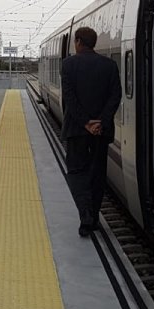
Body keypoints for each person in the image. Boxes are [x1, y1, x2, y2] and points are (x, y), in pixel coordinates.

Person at [61, 26, 122, 237]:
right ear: (93, 43)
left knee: (77, 173)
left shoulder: (68, 65)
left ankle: (85, 216)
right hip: (101, 132)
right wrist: (100, 122)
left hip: (77, 131)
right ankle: (93, 217)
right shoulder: (110, 66)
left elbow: (70, 99)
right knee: (97, 174)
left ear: (78, 42)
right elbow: (115, 97)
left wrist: (85, 122)